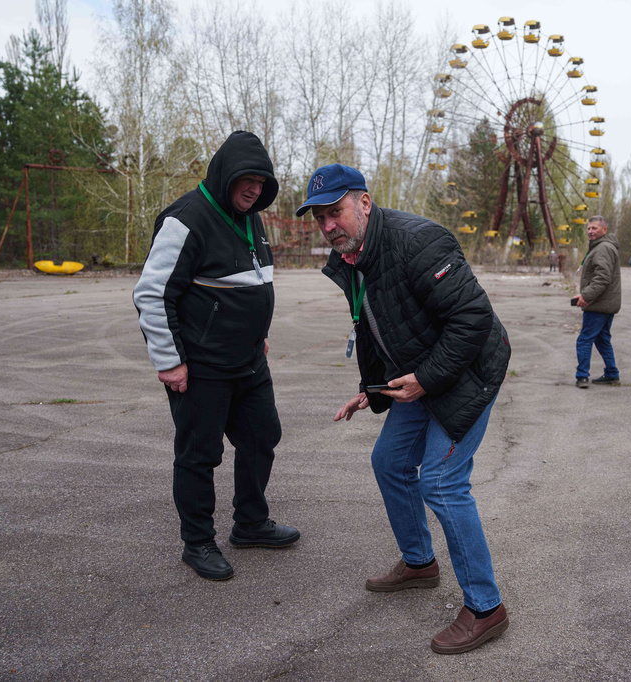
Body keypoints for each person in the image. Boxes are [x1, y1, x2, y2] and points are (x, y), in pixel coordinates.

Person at [300, 163, 511, 655]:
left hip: (469, 372)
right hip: (423, 375)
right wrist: (372, 391)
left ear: (365, 203)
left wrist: (426, 380)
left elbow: (472, 319)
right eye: (320, 218)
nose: (329, 225)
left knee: (440, 480)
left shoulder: (420, 242)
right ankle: (419, 562)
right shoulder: (354, 258)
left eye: (336, 212)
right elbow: (375, 332)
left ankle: (486, 607)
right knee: (390, 462)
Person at [133, 131, 299, 582]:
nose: (254, 189)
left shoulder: (251, 218)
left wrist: (258, 332)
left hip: (248, 360)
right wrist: (169, 361)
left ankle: (249, 524)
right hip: (201, 366)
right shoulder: (186, 218)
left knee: (263, 436)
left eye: (262, 182)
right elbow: (152, 294)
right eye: (246, 179)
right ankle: (198, 541)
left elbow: (251, 282)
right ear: (224, 173)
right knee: (198, 454)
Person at [574, 216, 621, 388]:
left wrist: (586, 296)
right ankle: (612, 374)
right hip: (605, 303)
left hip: (599, 304)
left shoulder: (603, 248)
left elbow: (602, 278)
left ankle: (582, 376)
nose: (591, 232)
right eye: (589, 228)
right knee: (602, 340)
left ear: (604, 230)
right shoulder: (603, 247)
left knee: (584, 340)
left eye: (594, 228)